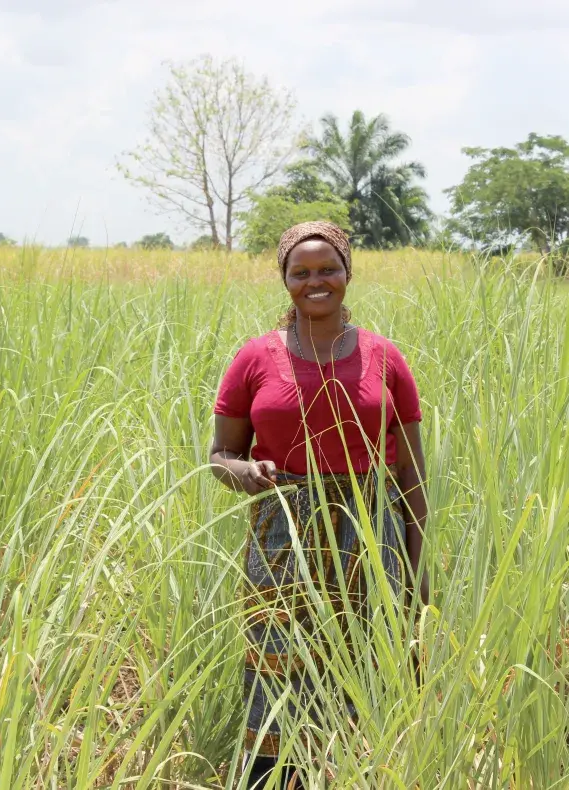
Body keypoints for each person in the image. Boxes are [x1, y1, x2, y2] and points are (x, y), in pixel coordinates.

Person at [210, 221, 428, 788]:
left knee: (362, 662)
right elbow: (219, 456)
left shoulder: (386, 357)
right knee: (277, 668)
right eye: (300, 272)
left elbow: (410, 477)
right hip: (281, 534)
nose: (316, 281)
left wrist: (417, 570)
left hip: (369, 531)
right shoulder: (255, 357)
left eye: (327, 268)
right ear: (284, 280)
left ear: (348, 274)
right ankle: (275, 778)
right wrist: (246, 472)